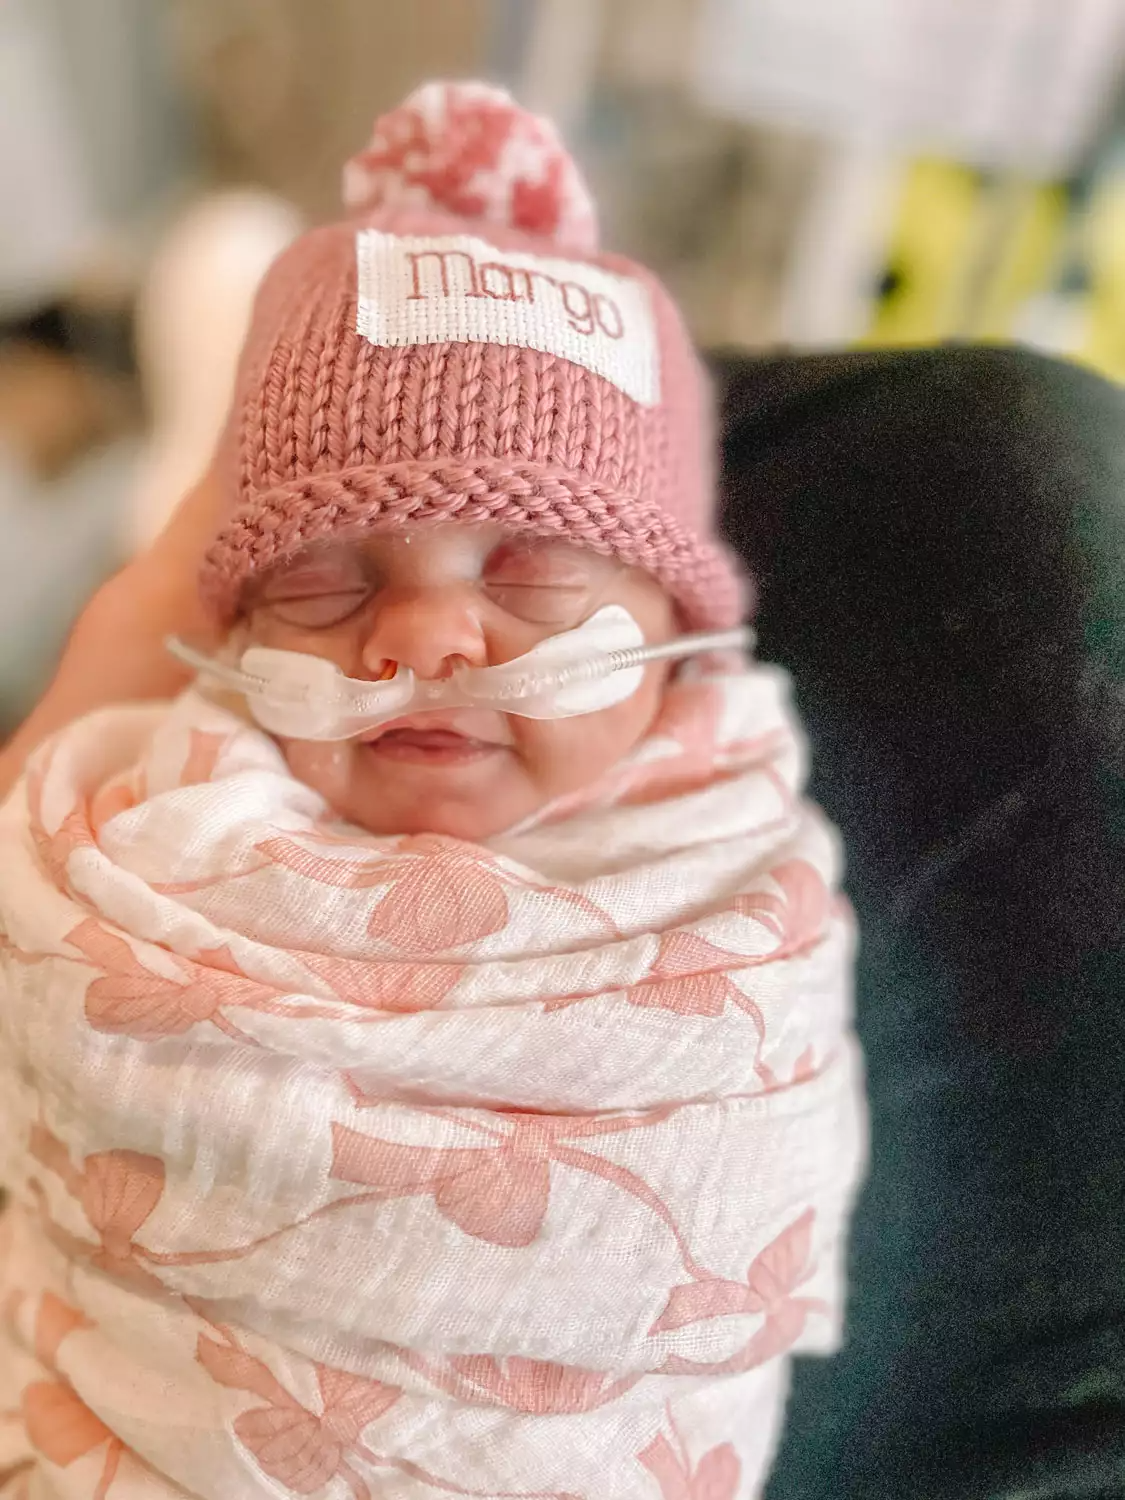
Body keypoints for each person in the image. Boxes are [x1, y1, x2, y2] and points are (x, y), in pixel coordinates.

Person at [0, 84, 863, 1499]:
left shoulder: (720, 839)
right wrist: (151, 601)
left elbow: (751, 1164)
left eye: (530, 574)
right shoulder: (177, 803)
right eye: (325, 581)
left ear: (672, 645)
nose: (423, 641)